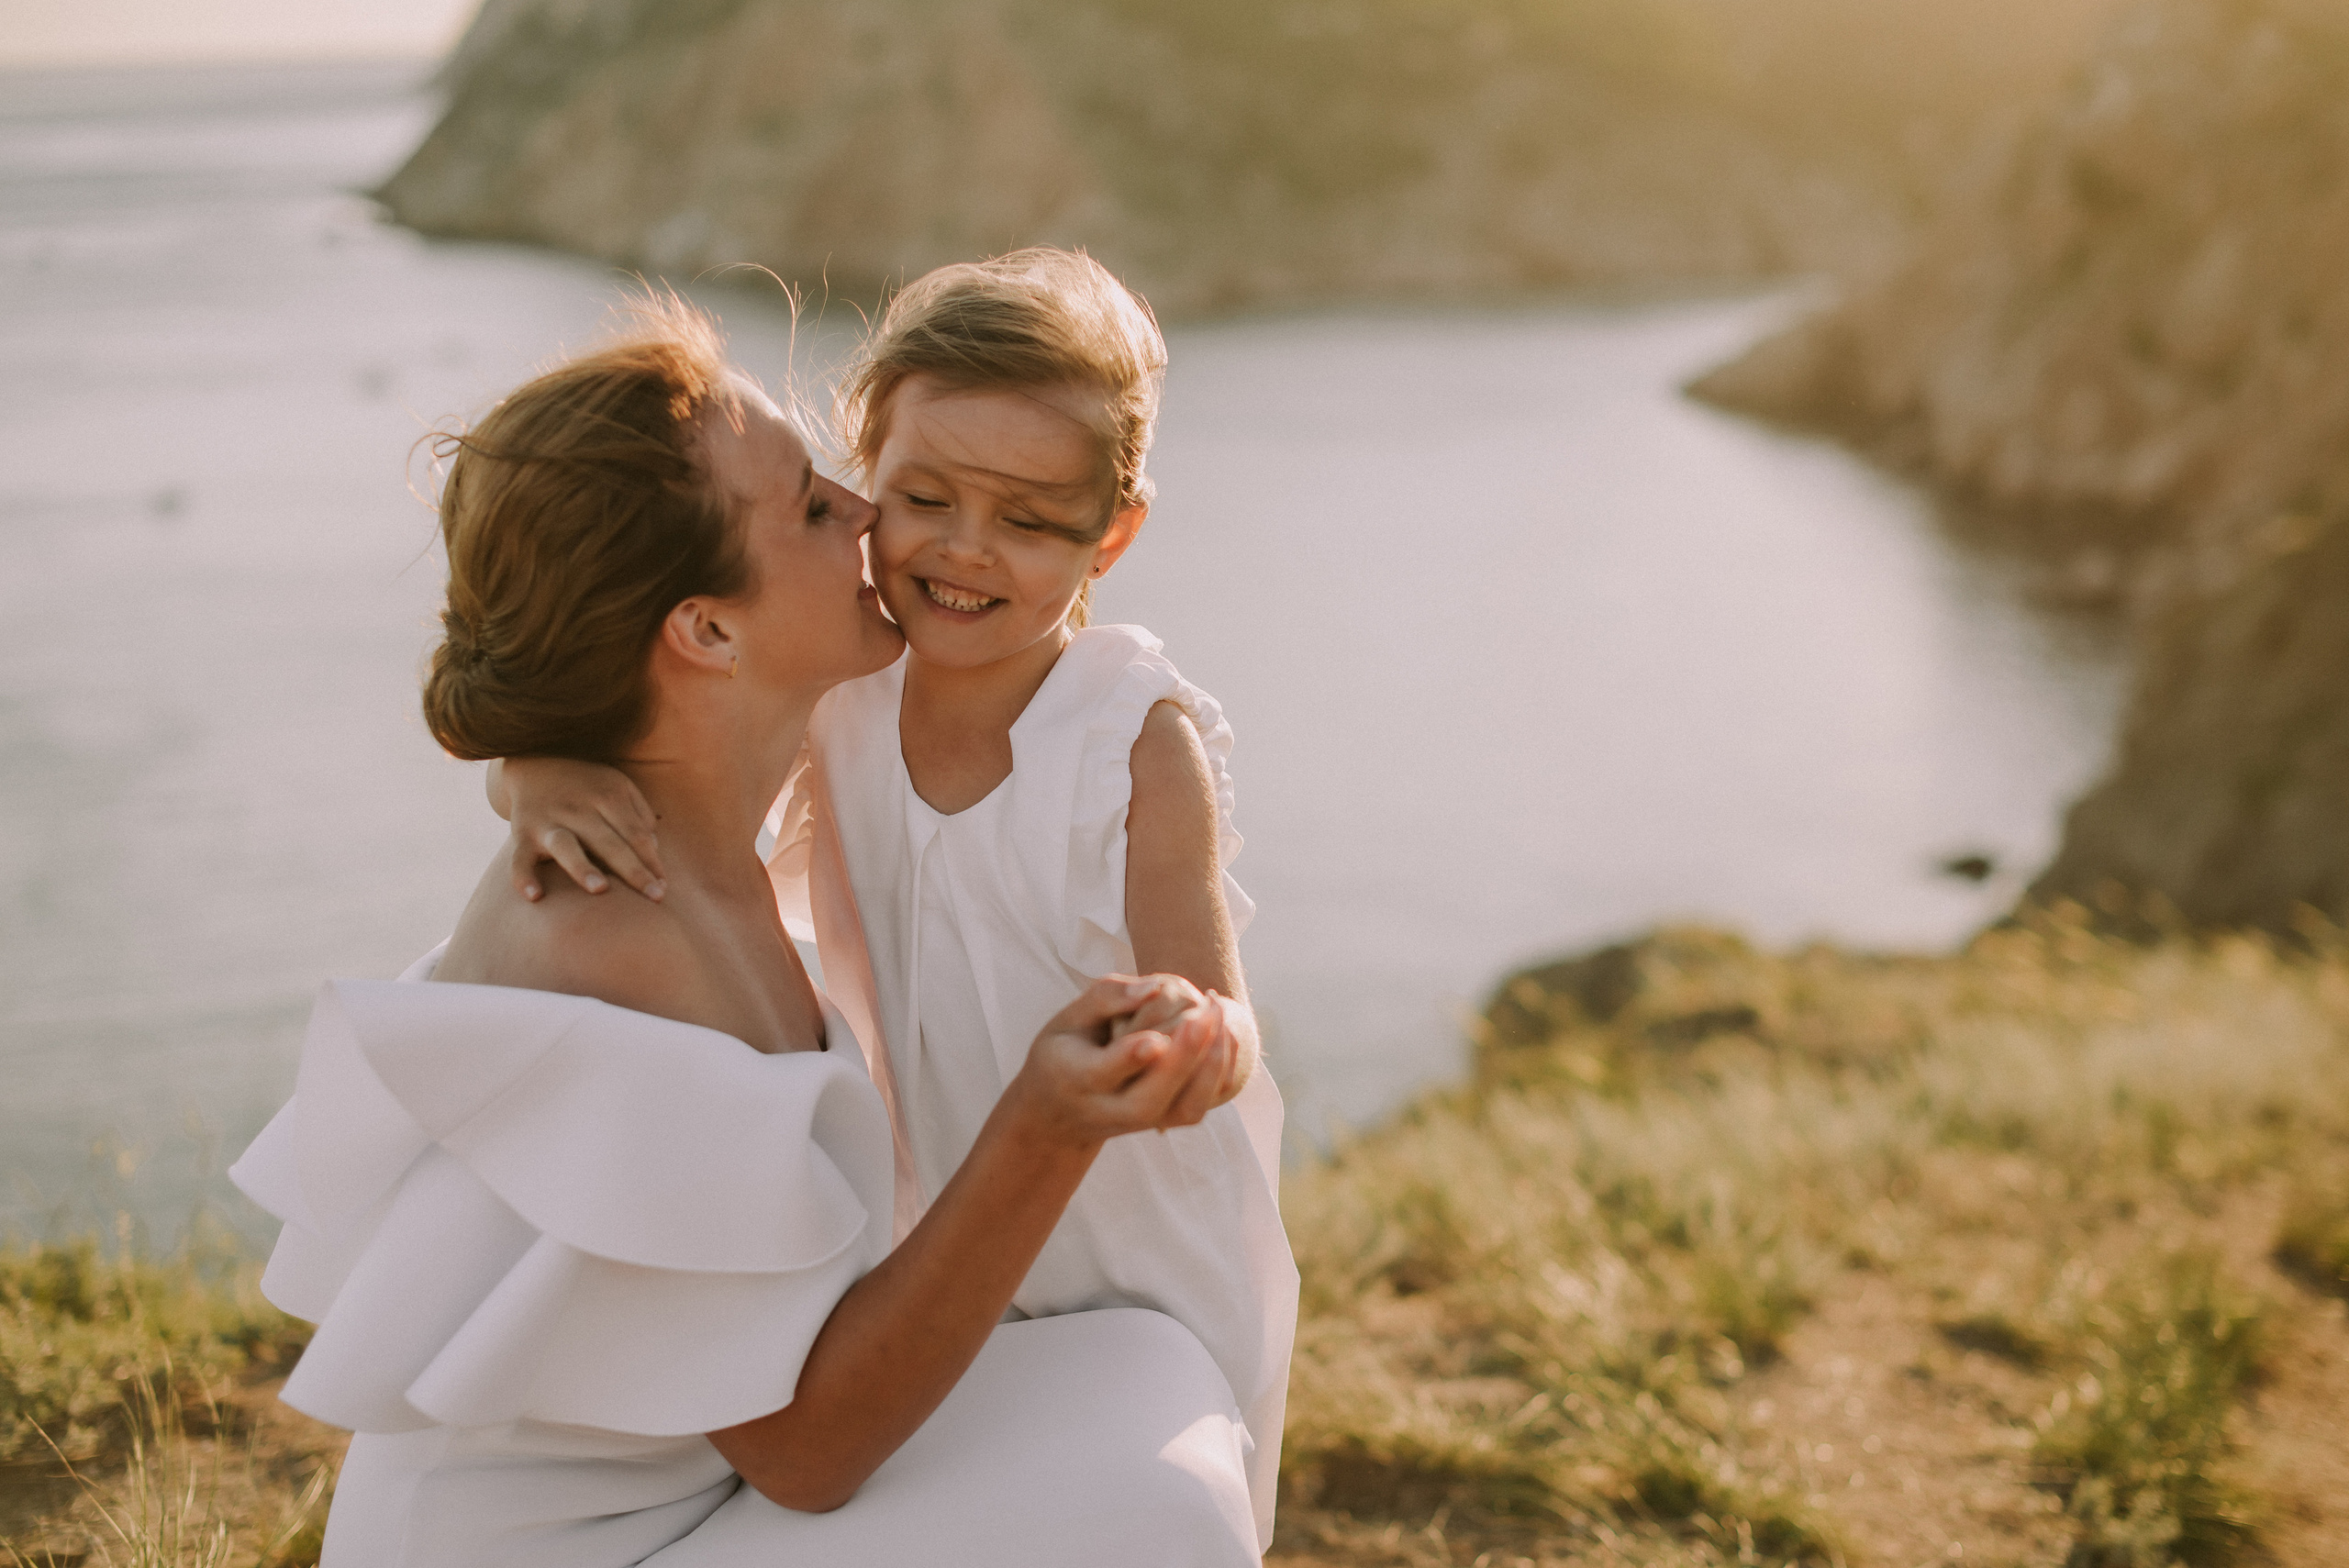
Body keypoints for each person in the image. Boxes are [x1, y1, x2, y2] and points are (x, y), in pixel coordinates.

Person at [228, 297, 1263, 1567]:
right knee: (1164, 1515)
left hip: (695, 1493)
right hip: (572, 1544)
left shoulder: (699, 811)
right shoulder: (620, 936)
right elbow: (808, 1453)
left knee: (1142, 1369)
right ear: (709, 630)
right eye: (818, 506)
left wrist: (526, 763)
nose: (867, 512)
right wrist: (1039, 1125)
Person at [496, 249, 1298, 1548]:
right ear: (869, 470)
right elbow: (656, 735)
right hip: (947, 1226)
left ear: (1116, 530)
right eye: (926, 497)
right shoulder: (845, 691)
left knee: (1166, 1505)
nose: (967, 553)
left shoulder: (1134, 740)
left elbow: (1218, 995)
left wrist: (1198, 1038)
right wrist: (534, 775)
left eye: (1034, 521)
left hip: (1144, 1237)